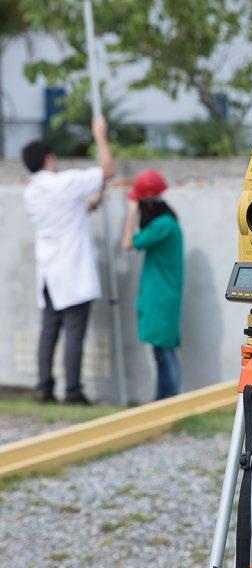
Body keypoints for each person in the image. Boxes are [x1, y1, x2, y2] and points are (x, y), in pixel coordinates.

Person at [22, 117, 114, 405]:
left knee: (49, 332)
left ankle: (44, 387)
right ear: (49, 159)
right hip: (72, 271)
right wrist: (100, 135)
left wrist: (90, 204)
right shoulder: (64, 182)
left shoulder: (32, 190)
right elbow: (108, 170)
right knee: (74, 333)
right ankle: (73, 391)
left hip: (49, 273)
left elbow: (65, 214)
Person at [122, 169, 183, 400]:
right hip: (161, 294)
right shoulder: (167, 222)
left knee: (163, 352)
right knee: (164, 350)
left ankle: (165, 402)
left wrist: (130, 213)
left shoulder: (163, 225)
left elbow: (128, 243)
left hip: (160, 296)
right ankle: (166, 401)